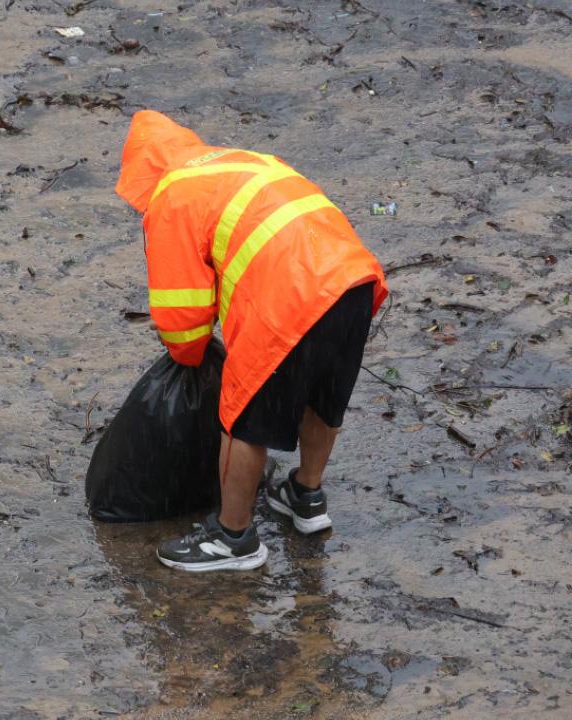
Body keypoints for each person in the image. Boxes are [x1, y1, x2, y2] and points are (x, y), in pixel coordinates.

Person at [115, 110, 388, 572]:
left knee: (242, 418)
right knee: (322, 397)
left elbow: (181, 316)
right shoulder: (241, 163)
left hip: (290, 299)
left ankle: (233, 537)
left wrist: (195, 360)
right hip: (354, 282)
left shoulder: (172, 195)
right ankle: (306, 495)